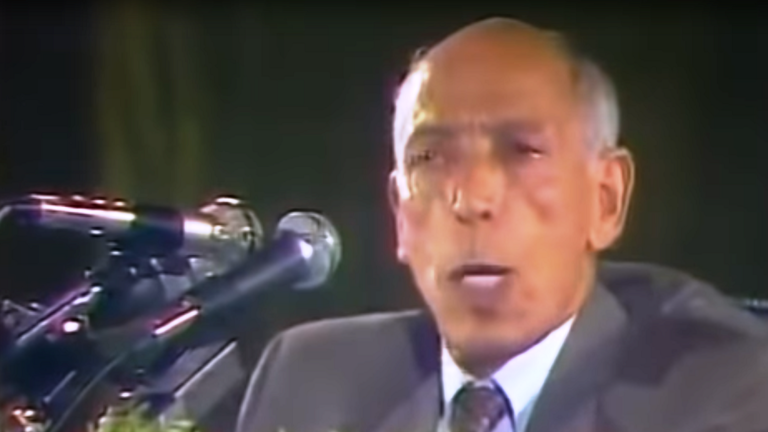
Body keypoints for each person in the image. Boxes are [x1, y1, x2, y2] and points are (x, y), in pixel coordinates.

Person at [235, 18, 768, 432]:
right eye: (430, 159)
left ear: (605, 200)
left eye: (522, 151)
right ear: (401, 216)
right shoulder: (310, 377)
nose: (471, 199)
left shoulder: (723, 388)